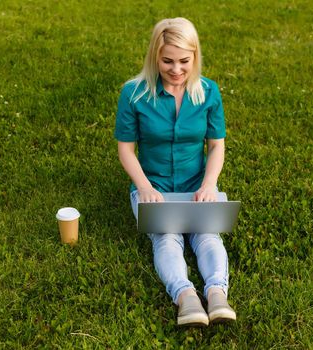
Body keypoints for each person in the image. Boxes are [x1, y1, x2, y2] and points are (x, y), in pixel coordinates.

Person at [114, 17, 236, 327]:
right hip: (153, 186)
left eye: (184, 60)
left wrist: (209, 184)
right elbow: (126, 149)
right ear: (155, 55)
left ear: (195, 56)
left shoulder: (208, 92)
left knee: (208, 236)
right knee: (166, 238)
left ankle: (217, 295)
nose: (176, 69)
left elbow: (216, 146)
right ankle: (186, 298)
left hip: (197, 185)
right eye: (167, 60)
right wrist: (144, 187)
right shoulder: (134, 93)